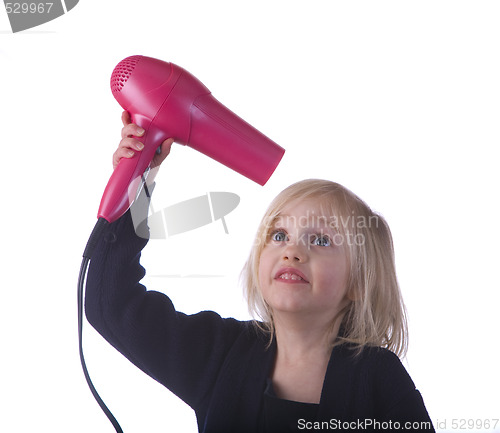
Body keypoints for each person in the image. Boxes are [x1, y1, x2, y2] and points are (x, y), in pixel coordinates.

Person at [85, 112, 435, 432]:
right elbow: (110, 304)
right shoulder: (219, 356)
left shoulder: (378, 378)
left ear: (358, 282)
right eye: (279, 235)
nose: (293, 251)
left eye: (322, 240)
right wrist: (138, 179)